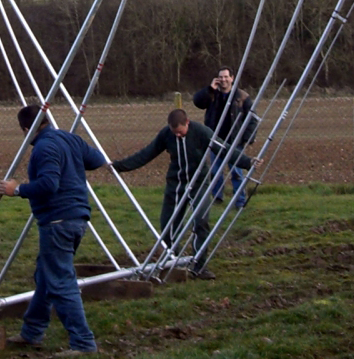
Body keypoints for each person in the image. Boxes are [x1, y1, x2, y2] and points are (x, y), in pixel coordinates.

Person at [0, 103, 109, 353]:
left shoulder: (44, 147)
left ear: (27, 129)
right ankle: (32, 332)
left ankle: (83, 342)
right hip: (77, 219)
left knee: (60, 282)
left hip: (58, 221)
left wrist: (16, 189)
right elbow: (97, 159)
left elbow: (49, 184)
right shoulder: (70, 139)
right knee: (46, 277)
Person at [111, 107, 249, 278]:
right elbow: (147, 153)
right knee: (168, 224)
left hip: (198, 183)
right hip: (176, 184)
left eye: (180, 132)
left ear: (187, 123)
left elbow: (224, 148)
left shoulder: (201, 132)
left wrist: (247, 162)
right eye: (174, 132)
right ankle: (172, 262)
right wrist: (119, 167)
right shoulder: (166, 135)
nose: (177, 135)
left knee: (201, 221)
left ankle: (199, 265)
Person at [193, 68, 259, 207]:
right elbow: (198, 102)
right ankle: (217, 199)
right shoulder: (212, 95)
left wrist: (247, 138)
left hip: (235, 142)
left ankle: (240, 201)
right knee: (216, 172)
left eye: (226, 77)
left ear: (232, 78)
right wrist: (210, 88)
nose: (223, 80)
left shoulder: (242, 96)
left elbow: (252, 119)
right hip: (215, 141)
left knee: (236, 173)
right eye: (220, 77)